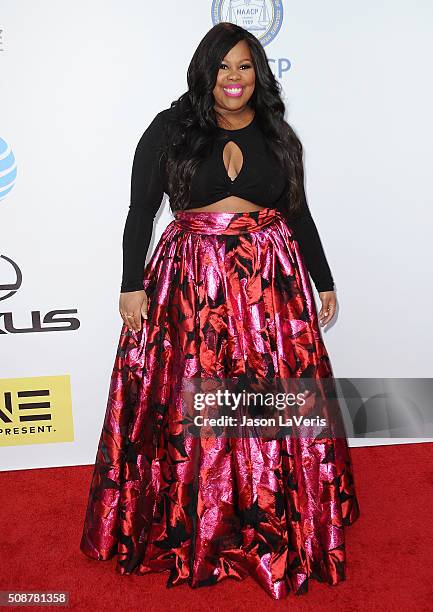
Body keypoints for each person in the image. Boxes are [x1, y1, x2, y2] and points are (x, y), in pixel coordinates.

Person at [80, 22, 360, 600]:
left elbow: (299, 214)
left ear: (260, 74)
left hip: (268, 280)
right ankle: (195, 521)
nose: (235, 79)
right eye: (224, 67)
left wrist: (323, 278)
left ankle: (271, 517)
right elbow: (140, 212)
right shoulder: (170, 128)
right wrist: (131, 284)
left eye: (246, 67)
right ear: (206, 72)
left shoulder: (279, 134)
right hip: (190, 281)